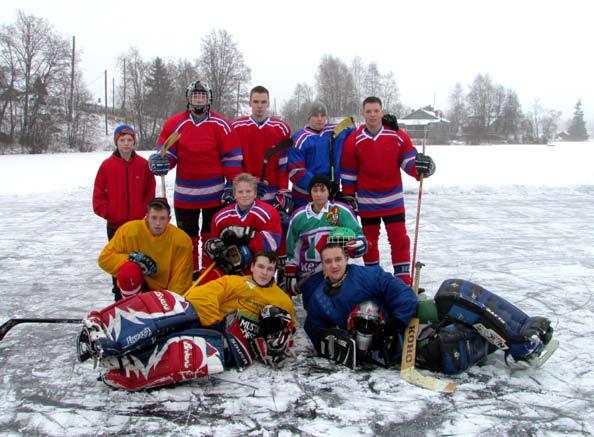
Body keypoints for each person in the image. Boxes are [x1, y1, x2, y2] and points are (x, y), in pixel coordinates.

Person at [77, 251, 296, 390]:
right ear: (252, 267)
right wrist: (206, 316)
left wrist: (277, 342)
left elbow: (288, 329)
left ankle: (128, 367)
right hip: (209, 318)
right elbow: (211, 292)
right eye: (260, 267)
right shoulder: (237, 281)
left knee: (185, 346)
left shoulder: (281, 299)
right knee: (168, 311)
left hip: (233, 341)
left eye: (269, 269)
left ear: (275, 271)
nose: (264, 272)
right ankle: (106, 325)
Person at [148, 80, 243, 276]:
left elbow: (232, 158)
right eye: (195, 95)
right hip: (186, 196)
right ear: (188, 98)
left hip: (214, 195)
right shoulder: (175, 123)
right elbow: (167, 152)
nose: (198, 99)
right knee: (186, 239)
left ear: (209, 99)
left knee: (212, 239)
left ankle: (209, 276)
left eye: (202, 95)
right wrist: (161, 161)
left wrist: (231, 184)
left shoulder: (221, 124)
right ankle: (187, 275)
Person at [341, 97, 436, 285]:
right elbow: (349, 171)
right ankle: (373, 277)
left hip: (392, 200)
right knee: (369, 242)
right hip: (367, 202)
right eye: (368, 111)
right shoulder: (354, 139)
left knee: (399, 239)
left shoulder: (396, 134)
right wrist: (349, 196)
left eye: (376, 111)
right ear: (364, 114)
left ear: (382, 112)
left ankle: (402, 280)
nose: (372, 115)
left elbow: (407, 158)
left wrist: (420, 167)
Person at [300, 243, 417, 368]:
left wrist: (396, 321)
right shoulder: (315, 292)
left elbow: (403, 293)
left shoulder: (369, 276)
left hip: (384, 335)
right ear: (322, 265)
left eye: (338, 259)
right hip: (350, 342)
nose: (334, 265)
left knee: (368, 309)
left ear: (346, 259)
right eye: (328, 262)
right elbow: (314, 324)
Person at [92, 124, 156, 300]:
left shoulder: (143, 165)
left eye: (129, 140)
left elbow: (150, 193)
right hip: (116, 226)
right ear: (116, 142)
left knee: (142, 264)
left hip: (138, 227)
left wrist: (144, 213)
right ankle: (119, 298)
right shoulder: (107, 166)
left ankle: (144, 299)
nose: (126, 143)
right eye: (122, 140)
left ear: (134, 142)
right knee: (119, 264)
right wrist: (111, 213)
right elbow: (98, 197)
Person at [284, 175, 367, 295]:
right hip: (310, 273)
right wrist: (291, 271)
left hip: (337, 270)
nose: (318, 194)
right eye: (315, 190)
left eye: (322, 190)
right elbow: (293, 247)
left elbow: (359, 236)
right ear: (310, 192)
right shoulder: (298, 216)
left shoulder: (341, 211)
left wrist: (357, 246)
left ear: (329, 192)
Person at [98, 197, 193, 299]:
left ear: (169, 219)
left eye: (162, 218)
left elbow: (181, 280)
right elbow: (104, 259)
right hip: (133, 286)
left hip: (162, 292)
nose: (158, 223)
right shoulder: (129, 231)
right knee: (129, 270)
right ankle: (131, 306)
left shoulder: (181, 240)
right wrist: (133, 259)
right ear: (147, 217)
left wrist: (172, 301)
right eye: (154, 217)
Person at [200, 173, 282, 284]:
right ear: (234, 194)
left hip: (256, 268)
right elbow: (213, 244)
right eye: (240, 192)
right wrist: (215, 250)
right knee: (208, 283)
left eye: (248, 191)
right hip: (228, 268)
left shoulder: (268, 213)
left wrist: (247, 242)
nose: (244, 195)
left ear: (255, 193)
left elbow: (271, 245)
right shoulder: (220, 217)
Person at [231, 85, 292, 204]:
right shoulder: (236, 127)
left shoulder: (281, 128)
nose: (259, 106)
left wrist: (283, 191)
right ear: (250, 103)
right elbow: (234, 163)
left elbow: (283, 164)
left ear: (268, 103)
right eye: (256, 101)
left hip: (273, 191)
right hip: (245, 192)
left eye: (263, 102)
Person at [288, 101, 354, 208]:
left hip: (331, 196)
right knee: (307, 224)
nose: (320, 119)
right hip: (305, 199)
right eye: (315, 115)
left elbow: (360, 132)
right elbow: (295, 171)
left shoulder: (335, 131)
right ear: (308, 117)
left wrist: (383, 123)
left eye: (323, 115)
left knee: (331, 224)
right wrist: (321, 186)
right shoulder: (299, 139)